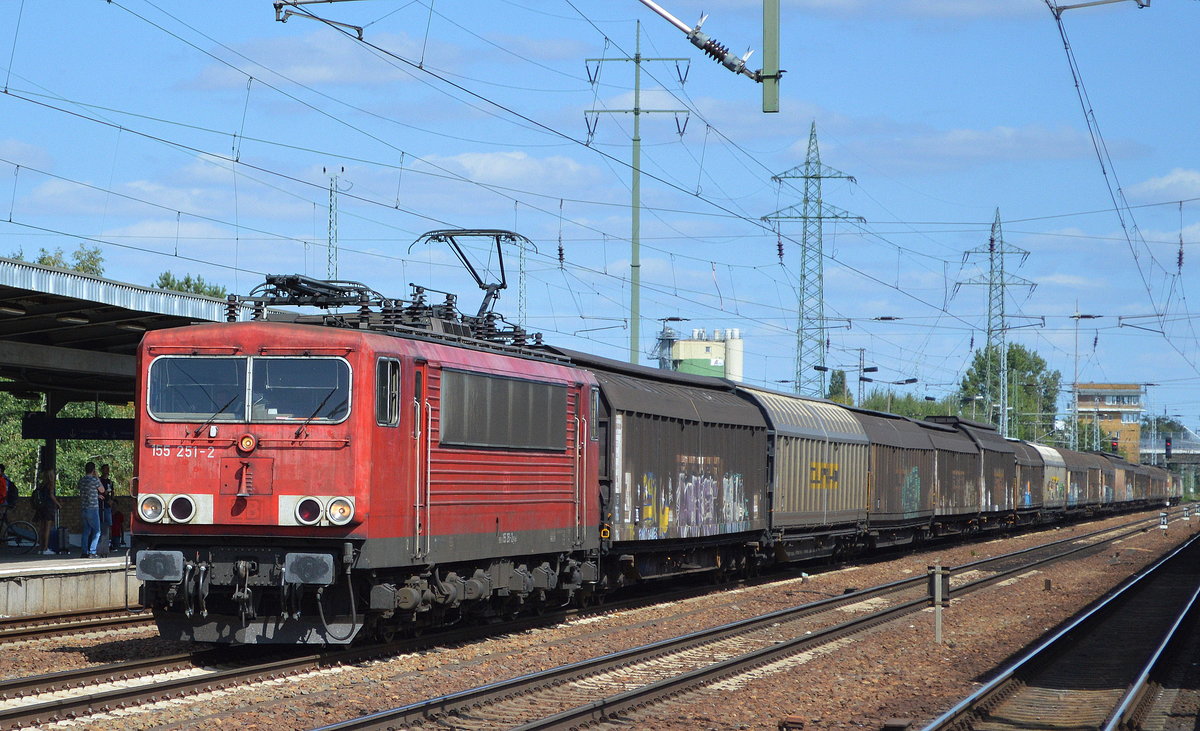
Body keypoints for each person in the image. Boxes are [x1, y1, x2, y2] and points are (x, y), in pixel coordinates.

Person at [78, 462, 105, 559]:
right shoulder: (94, 480)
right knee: (97, 531)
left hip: (84, 508)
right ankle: (92, 552)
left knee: (86, 531)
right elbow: (102, 490)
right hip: (93, 508)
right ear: (93, 470)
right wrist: (97, 477)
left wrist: (95, 495)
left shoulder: (82, 480)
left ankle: (84, 552)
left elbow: (86, 491)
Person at [35, 468, 61, 555]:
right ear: (51, 475)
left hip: (41, 508)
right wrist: (58, 504)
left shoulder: (42, 484)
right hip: (48, 507)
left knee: (42, 528)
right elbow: (51, 495)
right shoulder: (51, 484)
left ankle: (40, 548)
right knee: (47, 529)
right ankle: (46, 548)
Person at [98, 464, 114, 556]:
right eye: (105, 469)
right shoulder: (99, 481)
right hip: (100, 505)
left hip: (108, 506)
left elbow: (112, 492)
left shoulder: (110, 482)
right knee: (100, 525)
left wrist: (111, 500)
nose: (107, 470)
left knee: (109, 524)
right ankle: (100, 545)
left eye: (108, 469)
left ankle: (109, 543)